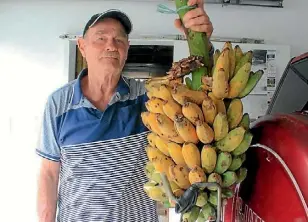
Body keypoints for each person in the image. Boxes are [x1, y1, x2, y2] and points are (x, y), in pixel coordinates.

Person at [36, 0, 214, 221]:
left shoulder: (149, 98)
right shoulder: (59, 104)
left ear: (127, 49)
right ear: (82, 46)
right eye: (101, 38)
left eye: (119, 39)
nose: (111, 45)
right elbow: (49, 175)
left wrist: (200, 41)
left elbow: (200, 110)